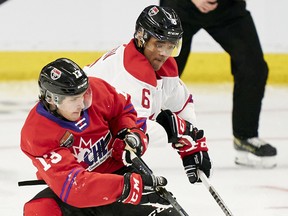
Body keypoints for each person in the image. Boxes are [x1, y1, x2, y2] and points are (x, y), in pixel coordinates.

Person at [20, 57, 181, 216]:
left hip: (119, 173)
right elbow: (76, 187)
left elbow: (123, 109)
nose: (82, 104)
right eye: (74, 99)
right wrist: (127, 187)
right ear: (52, 100)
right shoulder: (37, 133)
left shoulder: (97, 90)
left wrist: (128, 133)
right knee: (40, 210)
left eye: (84, 95)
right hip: (83, 191)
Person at [84, 5, 212, 186]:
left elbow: (183, 103)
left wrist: (193, 143)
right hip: (82, 145)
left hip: (107, 143)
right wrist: (173, 132)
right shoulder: (129, 73)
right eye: (159, 45)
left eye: (171, 46)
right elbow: (132, 128)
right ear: (141, 37)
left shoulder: (164, 67)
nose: (164, 53)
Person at [159, 0, 277, 168]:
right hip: (181, 6)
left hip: (226, 8)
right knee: (161, 66)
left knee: (253, 67)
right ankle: (130, 131)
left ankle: (245, 136)